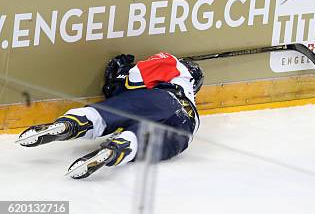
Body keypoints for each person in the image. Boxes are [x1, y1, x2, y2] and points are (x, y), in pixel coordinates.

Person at [17, 52, 203, 179]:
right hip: (185, 131)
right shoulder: (195, 115)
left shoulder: (176, 65)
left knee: (104, 115)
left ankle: (73, 123)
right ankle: (118, 149)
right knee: (138, 141)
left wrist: (120, 75)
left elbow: (135, 77)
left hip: (163, 100)